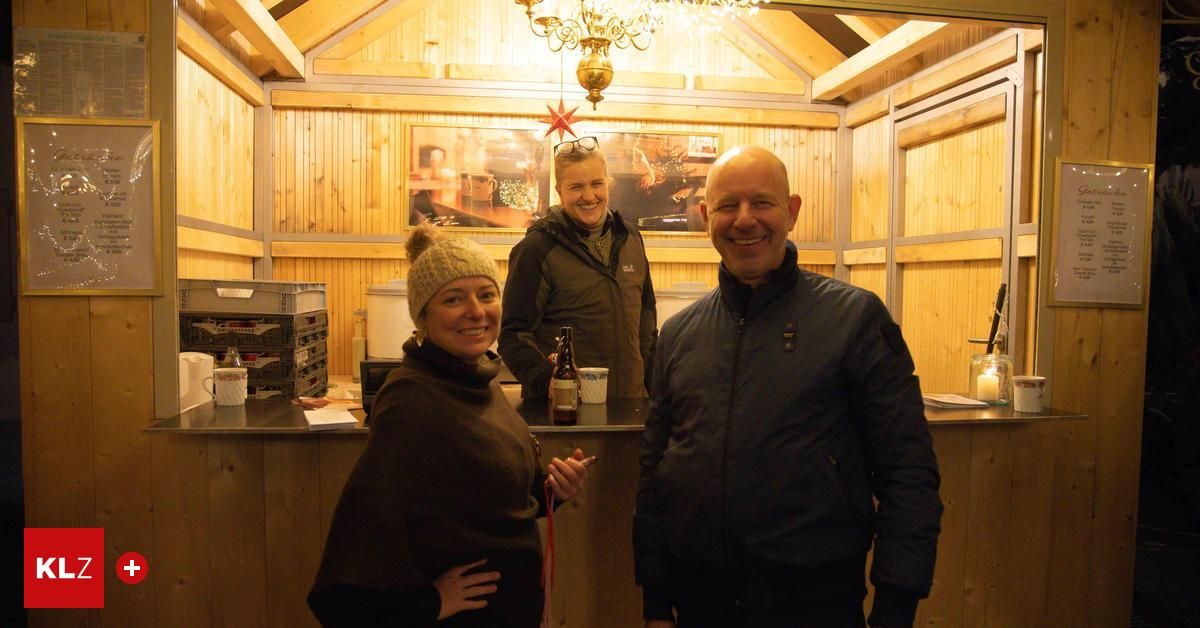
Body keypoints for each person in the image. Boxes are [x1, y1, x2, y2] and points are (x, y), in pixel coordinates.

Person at [633, 146, 943, 628]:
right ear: (703, 216)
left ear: (791, 211)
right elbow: (655, 472)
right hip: (698, 604)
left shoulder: (855, 320)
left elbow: (909, 472)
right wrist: (655, 601)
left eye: (762, 202)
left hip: (816, 605)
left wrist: (895, 609)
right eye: (726, 206)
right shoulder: (679, 334)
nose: (744, 220)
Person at [308, 226, 592, 627]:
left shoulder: (478, 378)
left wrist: (551, 490)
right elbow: (361, 541)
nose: (476, 311)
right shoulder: (412, 400)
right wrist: (427, 604)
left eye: (486, 294)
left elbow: (480, 498)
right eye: (454, 299)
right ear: (423, 316)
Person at [500, 136, 657, 400]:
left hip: (631, 407)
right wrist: (546, 382)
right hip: (566, 414)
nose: (589, 196)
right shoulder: (537, 248)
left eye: (597, 184)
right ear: (559, 190)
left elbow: (647, 325)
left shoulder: (631, 238)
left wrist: (655, 392)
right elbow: (513, 336)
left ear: (608, 182)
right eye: (576, 187)